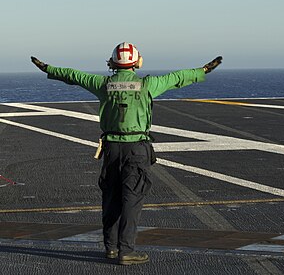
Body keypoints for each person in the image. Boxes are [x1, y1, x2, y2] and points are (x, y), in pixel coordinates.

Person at [31, 43, 222, 265]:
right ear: (137, 62)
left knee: (111, 197)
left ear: (112, 62)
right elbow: (177, 78)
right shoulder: (147, 84)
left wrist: (47, 68)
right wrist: (204, 70)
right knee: (132, 199)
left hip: (111, 149)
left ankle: (111, 248)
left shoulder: (103, 84)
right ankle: (127, 250)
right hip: (137, 149)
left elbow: (74, 76)